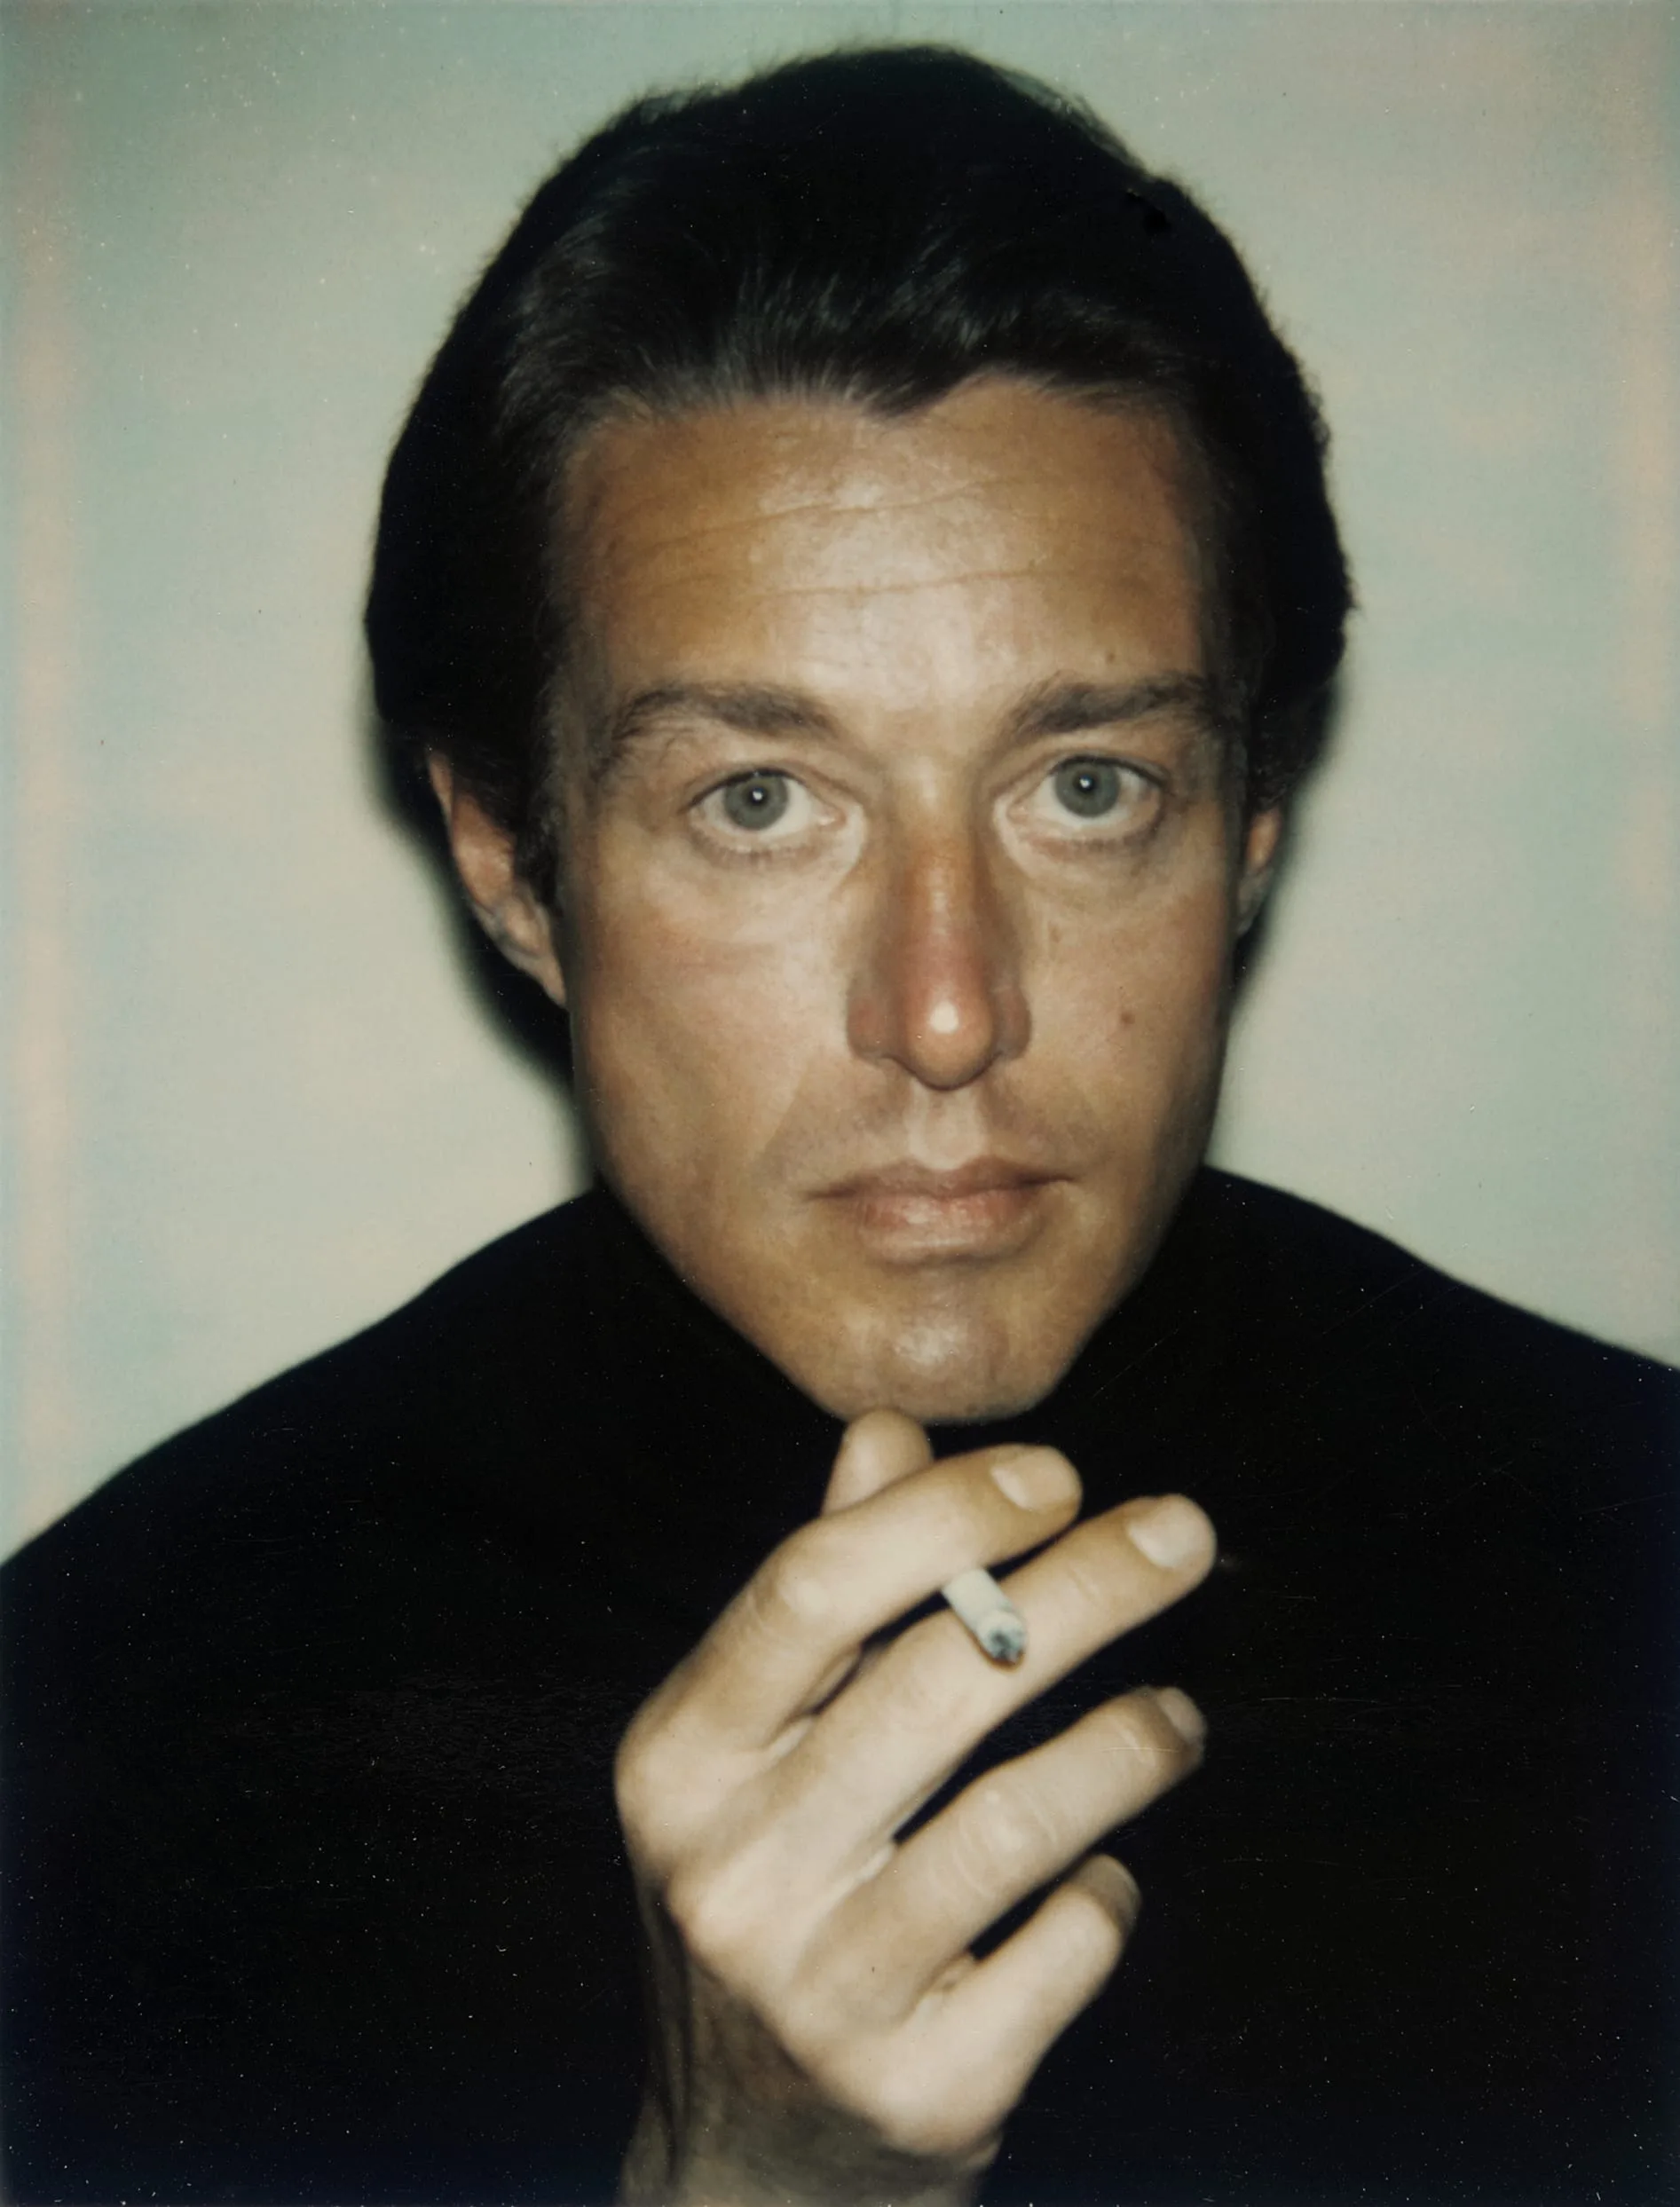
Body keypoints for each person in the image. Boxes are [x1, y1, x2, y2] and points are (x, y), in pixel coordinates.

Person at [4, 44, 1674, 2207]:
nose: (949, 1011)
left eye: (1087, 787)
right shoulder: (104, 1732)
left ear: (1249, 822)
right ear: (513, 863)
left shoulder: (1636, 1572)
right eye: (759, 802)